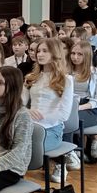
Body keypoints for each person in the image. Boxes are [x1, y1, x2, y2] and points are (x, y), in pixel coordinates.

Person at [23, 38, 74, 182]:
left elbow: (64, 114)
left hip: (51, 129)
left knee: (26, 148)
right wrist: (26, 112)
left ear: (55, 53)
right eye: (38, 51)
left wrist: (40, 120)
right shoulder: (31, 77)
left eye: (45, 51)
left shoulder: (66, 79)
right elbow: (19, 103)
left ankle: (60, 162)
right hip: (29, 125)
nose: (40, 54)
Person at [69, 41, 97, 160]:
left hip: (89, 108)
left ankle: (75, 150)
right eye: (73, 53)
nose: (75, 57)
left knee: (73, 119)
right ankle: (73, 150)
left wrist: (79, 107)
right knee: (63, 118)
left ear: (87, 55)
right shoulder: (66, 72)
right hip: (70, 105)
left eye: (80, 54)